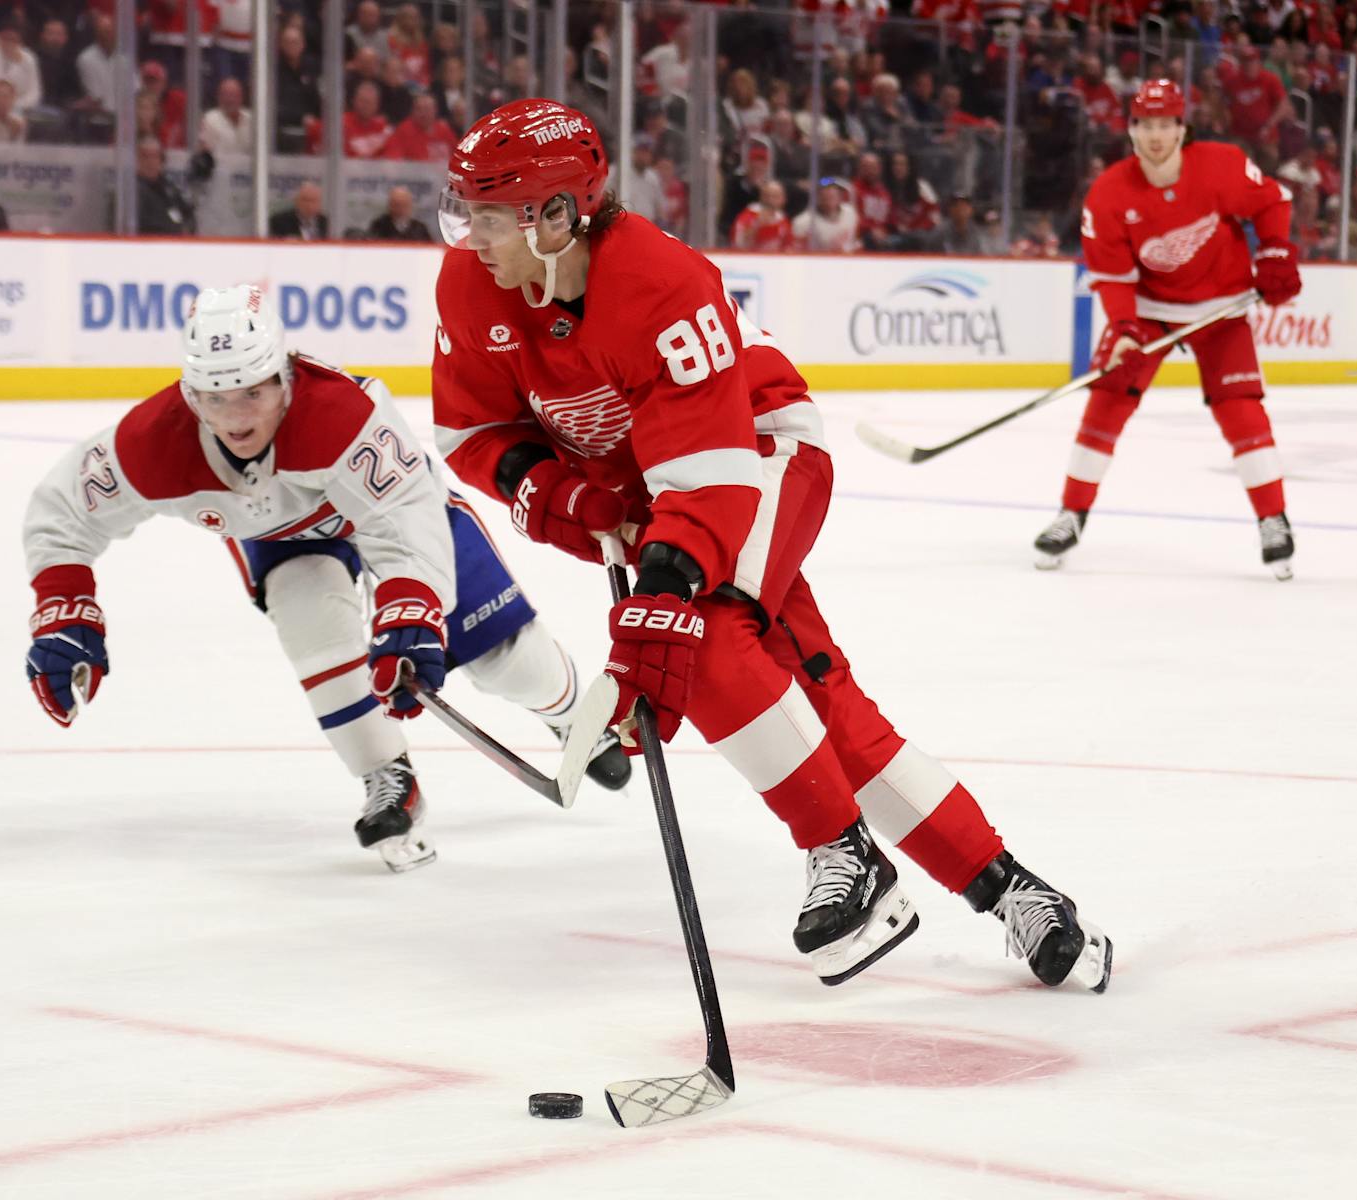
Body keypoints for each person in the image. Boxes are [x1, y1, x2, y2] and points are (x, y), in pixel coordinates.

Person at [431, 99, 1113, 993]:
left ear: (556, 214)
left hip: (756, 454)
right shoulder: (470, 286)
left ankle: (844, 853)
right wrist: (570, 499)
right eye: (468, 210)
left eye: (490, 214)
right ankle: (1014, 890)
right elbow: (474, 431)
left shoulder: (662, 283)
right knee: (816, 701)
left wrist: (653, 618)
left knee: (702, 634)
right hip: (655, 490)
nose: (470, 235)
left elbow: (709, 483)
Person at [22, 284, 628, 872]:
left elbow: (402, 515)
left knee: (502, 658)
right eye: (215, 398)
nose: (236, 417)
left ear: (284, 377)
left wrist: (411, 606)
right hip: (284, 540)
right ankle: (387, 775)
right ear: (190, 394)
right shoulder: (155, 440)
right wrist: (63, 605)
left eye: (253, 392)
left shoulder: (341, 415)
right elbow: (64, 509)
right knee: (312, 624)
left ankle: (570, 713)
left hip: (397, 517)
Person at [1035, 79, 1301, 579]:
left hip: (1221, 309)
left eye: (1165, 124)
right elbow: (1113, 277)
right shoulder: (1109, 193)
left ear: (1182, 129)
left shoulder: (1221, 165)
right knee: (1108, 398)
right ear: (1131, 131)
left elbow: (1273, 201)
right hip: (1149, 309)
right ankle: (1070, 514)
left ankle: (1273, 520)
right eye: (1145, 125)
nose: (1155, 135)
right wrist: (1125, 330)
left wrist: (1274, 251)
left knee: (1240, 409)